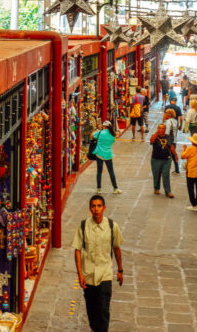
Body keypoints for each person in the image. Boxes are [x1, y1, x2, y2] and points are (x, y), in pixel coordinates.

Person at [73, 195, 125, 332]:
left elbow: (117, 248)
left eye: (99, 206)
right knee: (91, 308)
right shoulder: (83, 226)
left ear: (104, 208)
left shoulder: (112, 226)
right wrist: (80, 274)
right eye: (93, 206)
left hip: (104, 274)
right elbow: (77, 250)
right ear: (90, 208)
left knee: (103, 309)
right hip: (88, 274)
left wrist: (120, 270)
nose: (96, 209)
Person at [92, 121, 122, 194]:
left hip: (99, 154)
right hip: (108, 155)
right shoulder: (112, 135)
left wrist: (98, 129)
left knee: (99, 171)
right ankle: (115, 188)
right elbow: (113, 141)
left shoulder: (100, 132)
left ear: (104, 126)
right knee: (111, 171)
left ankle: (99, 188)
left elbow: (92, 136)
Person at [149, 123, 177, 198]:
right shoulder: (154, 136)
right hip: (156, 159)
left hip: (166, 160)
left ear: (165, 129)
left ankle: (168, 192)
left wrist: (175, 155)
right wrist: (156, 133)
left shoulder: (168, 137)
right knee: (156, 174)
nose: (161, 129)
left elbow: (171, 146)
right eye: (159, 128)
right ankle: (156, 188)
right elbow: (151, 141)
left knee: (166, 175)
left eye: (162, 128)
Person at [180, 133, 197, 210]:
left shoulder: (190, 148)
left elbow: (182, 156)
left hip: (192, 172)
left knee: (190, 188)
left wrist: (184, 149)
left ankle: (194, 204)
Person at [163, 109, 180, 174]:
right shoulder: (176, 121)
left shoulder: (168, 121)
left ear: (168, 114)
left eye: (165, 113)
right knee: (173, 155)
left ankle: (165, 169)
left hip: (169, 141)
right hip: (174, 140)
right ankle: (177, 169)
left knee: (167, 155)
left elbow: (167, 132)